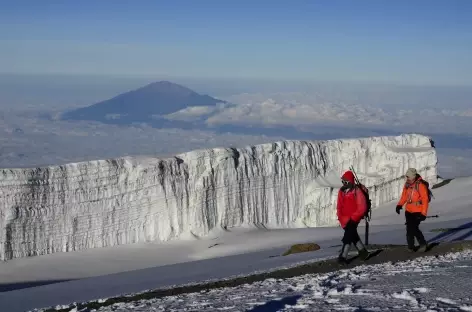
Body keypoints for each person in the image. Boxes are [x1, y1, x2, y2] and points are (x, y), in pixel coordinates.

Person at [336, 170, 369, 264]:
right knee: (352, 235)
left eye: (345, 182)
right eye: (343, 181)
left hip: (354, 218)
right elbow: (339, 205)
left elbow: (362, 207)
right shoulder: (341, 191)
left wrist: (354, 218)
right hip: (344, 219)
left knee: (348, 236)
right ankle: (363, 253)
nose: (343, 183)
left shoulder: (357, 191)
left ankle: (343, 256)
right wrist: (340, 216)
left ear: (350, 181)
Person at [396, 168, 430, 252]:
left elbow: (425, 199)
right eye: (407, 177)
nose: (407, 179)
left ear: (413, 177)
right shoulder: (407, 185)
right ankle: (411, 247)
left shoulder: (420, 185)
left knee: (414, 228)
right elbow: (404, 196)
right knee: (409, 229)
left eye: (409, 177)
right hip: (408, 210)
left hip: (418, 211)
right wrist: (399, 205)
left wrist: (424, 213)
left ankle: (423, 244)